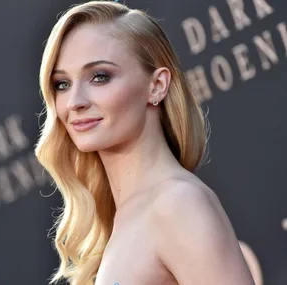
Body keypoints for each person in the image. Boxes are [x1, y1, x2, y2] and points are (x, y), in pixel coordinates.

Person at [35, 1, 255, 284]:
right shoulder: (123, 219)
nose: (75, 102)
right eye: (62, 84)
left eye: (100, 77)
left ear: (157, 85)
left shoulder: (177, 204)